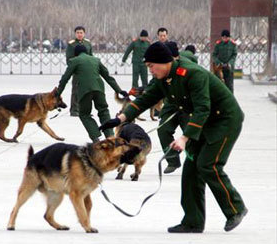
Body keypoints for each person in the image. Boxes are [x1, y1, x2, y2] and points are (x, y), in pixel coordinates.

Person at [99, 42, 248, 233]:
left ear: (164, 62)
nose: (150, 70)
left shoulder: (193, 74)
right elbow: (146, 99)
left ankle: (236, 209)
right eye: (148, 67)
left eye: (152, 65)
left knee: (208, 164)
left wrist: (184, 138)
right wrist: (119, 118)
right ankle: (193, 221)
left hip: (224, 120)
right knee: (190, 170)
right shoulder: (164, 78)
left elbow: (203, 108)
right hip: (203, 122)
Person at [57, 44, 128, 142]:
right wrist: (119, 90)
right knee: (103, 111)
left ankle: (95, 137)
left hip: (84, 91)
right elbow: (108, 77)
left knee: (84, 114)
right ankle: (110, 136)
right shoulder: (96, 60)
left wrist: (58, 93)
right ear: (86, 52)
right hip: (99, 89)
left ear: (75, 54)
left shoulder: (74, 61)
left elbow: (65, 79)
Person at [65, 26, 93, 116]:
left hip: (87, 71)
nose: (79, 34)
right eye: (78, 33)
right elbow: (69, 59)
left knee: (87, 91)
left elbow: (91, 57)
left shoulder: (88, 43)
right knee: (76, 91)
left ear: (84, 33)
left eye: (81, 33)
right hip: (77, 71)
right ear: (75, 34)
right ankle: (74, 110)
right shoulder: (71, 44)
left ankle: (85, 110)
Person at [121, 29, 150, 96]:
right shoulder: (135, 42)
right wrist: (123, 60)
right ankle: (135, 91)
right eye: (143, 37)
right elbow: (128, 51)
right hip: (136, 63)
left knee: (145, 78)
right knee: (135, 77)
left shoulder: (148, 43)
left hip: (144, 63)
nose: (144, 38)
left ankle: (145, 91)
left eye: (145, 37)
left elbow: (150, 53)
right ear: (140, 36)